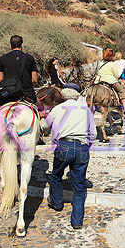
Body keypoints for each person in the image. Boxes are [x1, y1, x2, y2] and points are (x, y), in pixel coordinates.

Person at [44, 88, 93, 229]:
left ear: (63, 96)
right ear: (78, 96)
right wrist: (84, 147)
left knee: (56, 175)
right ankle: (77, 221)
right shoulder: (86, 110)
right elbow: (93, 134)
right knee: (79, 185)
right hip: (82, 147)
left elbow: (44, 126)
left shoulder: (58, 109)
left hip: (64, 146)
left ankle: (56, 202)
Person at [0, 35, 37, 105]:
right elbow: (34, 80)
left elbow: (0, 79)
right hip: (27, 93)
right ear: (22, 45)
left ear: (10, 46)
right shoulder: (30, 58)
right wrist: (29, 88)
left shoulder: (2, 59)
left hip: (9, 94)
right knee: (41, 110)